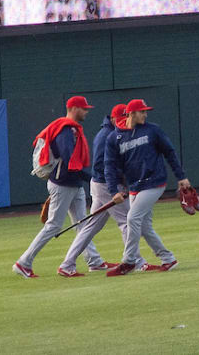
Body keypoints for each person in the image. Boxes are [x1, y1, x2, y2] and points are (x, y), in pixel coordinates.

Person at [12, 96, 99, 279]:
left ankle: (94, 261)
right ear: (74, 108)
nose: (86, 112)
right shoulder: (65, 130)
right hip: (63, 184)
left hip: (72, 183)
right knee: (53, 226)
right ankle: (24, 262)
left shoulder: (71, 129)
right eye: (84, 109)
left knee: (83, 224)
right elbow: (69, 162)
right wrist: (91, 177)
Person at [102, 98, 187, 275]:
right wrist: (113, 191)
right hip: (134, 185)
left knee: (132, 218)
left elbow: (169, 152)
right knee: (144, 227)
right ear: (131, 113)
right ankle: (168, 259)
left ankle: (129, 261)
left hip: (155, 181)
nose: (145, 114)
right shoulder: (114, 137)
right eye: (142, 111)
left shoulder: (152, 130)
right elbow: (109, 166)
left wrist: (181, 177)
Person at [57, 102, 131, 278]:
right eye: (122, 118)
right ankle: (134, 261)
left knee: (90, 227)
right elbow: (99, 165)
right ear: (113, 118)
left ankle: (67, 264)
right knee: (127, 221)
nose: (125, 122)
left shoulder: (116, 133)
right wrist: (116, 183)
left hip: (103, 184)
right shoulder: (106, 135)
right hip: (105, 185)